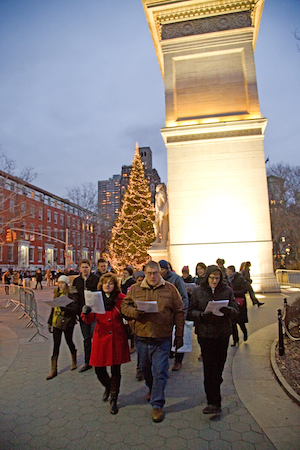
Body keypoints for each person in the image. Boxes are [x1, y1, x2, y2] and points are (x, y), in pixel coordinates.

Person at [121, 261, 185, 423]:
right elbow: (124, 305)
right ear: (145, 273)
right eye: (149, 273)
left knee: (160, 370)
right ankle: (151, 388)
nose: (152, 276)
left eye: (155, 273)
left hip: (161, 337)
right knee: (145, 369)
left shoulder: (170, 289)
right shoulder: (135, 289)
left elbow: (179, 311)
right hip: (142, 337)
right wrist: (134, 313)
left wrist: (179, 336)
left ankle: (157, 404)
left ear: (160, 273)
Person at [187, 265, 238, 415]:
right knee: (209, 368)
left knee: (219, 366)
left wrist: (228, 311)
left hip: (222, 334)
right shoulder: (198, 292)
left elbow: (236, 311)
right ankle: (213, 402)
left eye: (217, 278)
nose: (214, 281)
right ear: (207, 278)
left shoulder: (227, 291)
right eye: (212, 278)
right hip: (205, 334)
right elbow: (190, 312)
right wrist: (201, 315)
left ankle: (216, 382)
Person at [81, 273, 130, 414]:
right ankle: (108, 386)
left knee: (116, 369)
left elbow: (128, 313)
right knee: (98, 368)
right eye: (105, 283)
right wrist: (86, 312)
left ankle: (114, 397)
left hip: (117, 337)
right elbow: (89, 320)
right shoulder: (96, 299)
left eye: (110, 282)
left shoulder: (121, 299)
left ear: (115, 285)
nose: (107, 285)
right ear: (101, 285)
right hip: (101, 337)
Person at [159, 260, 189, 372]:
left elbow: (184, 297)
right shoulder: (158, 279)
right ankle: (168, 357)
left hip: (176, 313)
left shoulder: (176, 279)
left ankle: (178, 360)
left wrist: (183, 313)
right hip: (164, 315)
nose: (160, 272)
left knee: (179, 337)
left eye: (162, 269)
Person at [46, 275, 78, 380]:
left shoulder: (72, 294)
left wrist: (65, 308)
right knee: (56, 344)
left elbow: (75, 309)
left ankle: (74, 358)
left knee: (69, 341)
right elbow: (53, 309)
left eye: (62, 283)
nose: (60, 285)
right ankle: (53, 369)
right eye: (59, 283)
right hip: (56, 321)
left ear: (66, 284)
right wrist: (50, 322)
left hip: (68, 322)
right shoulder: (57, 294)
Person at [72, 259, 99, 372]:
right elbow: (74, 297)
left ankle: (97, 360)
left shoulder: (96, 279)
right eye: (83, 267)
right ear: (80, 269)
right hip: (82, 314)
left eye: (86, 267)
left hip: (94, 313)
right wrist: (77, 311)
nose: (85, 269)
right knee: (86, 338)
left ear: (90, 268)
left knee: (95, 338)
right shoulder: (77, 281)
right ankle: (88, 362)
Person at [226, 265, 249, 346]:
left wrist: (234, 293)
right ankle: (235, 340)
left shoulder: (240, 278)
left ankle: (244, 332)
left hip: (240, 303)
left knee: (240, 321)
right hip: (232, 303)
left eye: (227, 271)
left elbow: (244, 290)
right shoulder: (228, 280)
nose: (226, 272)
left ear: (231, 271)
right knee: (232, 323)